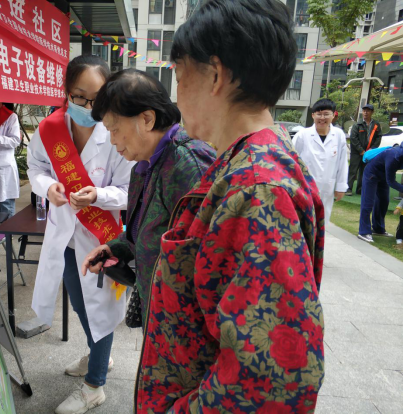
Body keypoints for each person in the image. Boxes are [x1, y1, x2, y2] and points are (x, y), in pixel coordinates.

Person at [135, 1, 326, 413]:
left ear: (216, 75)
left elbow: (272, 379)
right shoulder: (245, 162)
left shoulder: (258, 188)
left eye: (179, 77)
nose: (177, 95)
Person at [27, 56, 135, 414]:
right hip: (66, 237)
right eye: (80, 97)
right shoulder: (50, 129)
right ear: (66, 92)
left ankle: (94, 386)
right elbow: (36, 167)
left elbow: (128, 190)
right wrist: (49, 187)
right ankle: (98, 356)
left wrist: (98, 195)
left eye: (96, 99)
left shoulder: (115, 131)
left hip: (100, 238)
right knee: (78, 303)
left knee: (100, 309)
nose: (89, 107)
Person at [81, 69, 216, 325]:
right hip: (158, 312)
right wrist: (115, 248)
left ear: (147, 119)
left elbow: (210, 260)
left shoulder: (188, 165)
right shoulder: (144, 165)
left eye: (115, 129)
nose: (112, 140)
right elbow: (151, 229)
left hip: (183, 325)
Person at [293, 99, 348, 223]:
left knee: (322, 222)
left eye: (326, 114)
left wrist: (341, 186)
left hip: (327, 187)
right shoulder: (302, 135)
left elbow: (342, 163)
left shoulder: (338, 135)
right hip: (304, 188)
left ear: (333, 115)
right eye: (319, 114)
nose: (322, 118)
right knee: (303, 222)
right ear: (313, 115)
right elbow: (291, 160)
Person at [358, 145, 403, 243]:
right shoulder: (394, 156)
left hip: (384, 175)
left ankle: (378, 228)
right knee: (368, 202)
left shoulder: (399, 155)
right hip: (371, 174)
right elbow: (391, 181)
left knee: (384, 202)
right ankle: (363, 232)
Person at [347, 104, 382, 196]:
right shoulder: (357, 124)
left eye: (368, 111)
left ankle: (360, 189)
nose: (365, 112)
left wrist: (372, 149)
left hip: (369, 152)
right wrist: (361, 151)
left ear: (372, 112)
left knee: (364, 171)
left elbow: (378, 137)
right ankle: (348, 188)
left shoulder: (376, 124)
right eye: (364, 111)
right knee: (353, 170)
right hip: (357, 152)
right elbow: (353, 138)